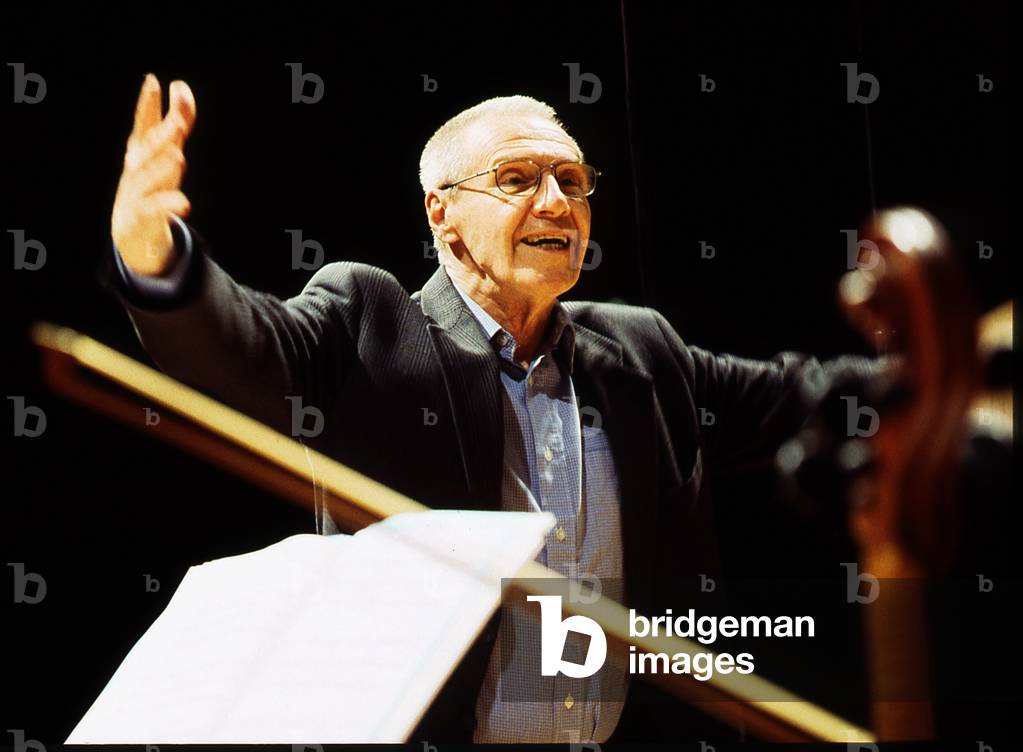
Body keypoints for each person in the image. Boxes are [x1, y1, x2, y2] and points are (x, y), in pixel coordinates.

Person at [100, 74, 879, 743]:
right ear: (441, 213)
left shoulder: (643, 353)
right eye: (517, 179)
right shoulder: (369, 322)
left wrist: (968, 362)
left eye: (572, 182)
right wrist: (155, 255)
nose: (557, 203)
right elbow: (242, 344)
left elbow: (801, 395)